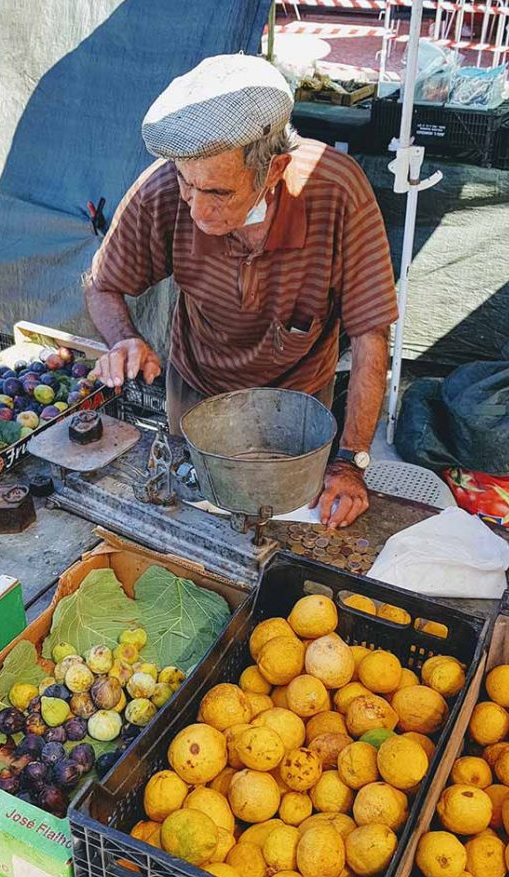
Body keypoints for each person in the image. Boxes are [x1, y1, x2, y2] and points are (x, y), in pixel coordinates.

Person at [84, 54, 397, 528]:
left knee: (288, 529)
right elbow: (102, 285)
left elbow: (372, 335)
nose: (196, 210)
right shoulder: (168, 187)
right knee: (197, 522)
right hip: (198, 398)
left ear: (274, 171)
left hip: (297, 413)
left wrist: (351, 461)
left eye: (218, 194)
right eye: (188, 186)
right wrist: (124, 338)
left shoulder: (337, 191)